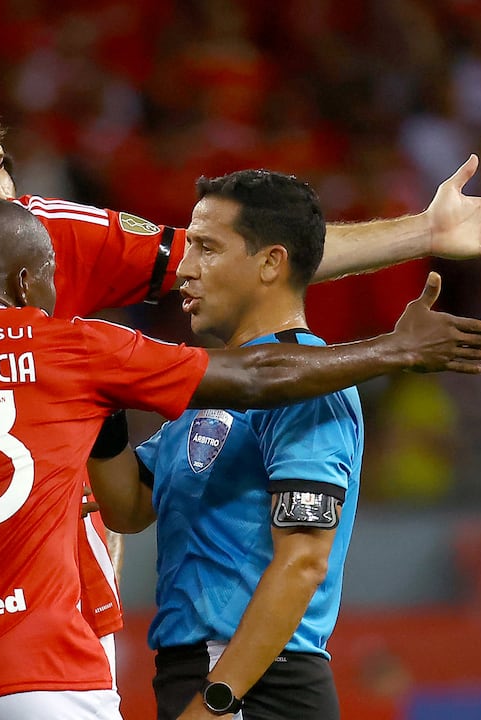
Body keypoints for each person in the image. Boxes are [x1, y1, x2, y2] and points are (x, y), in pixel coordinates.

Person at [0, 89, 481, 683]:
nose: (2, 188)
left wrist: (424, 232)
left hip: (51, 615)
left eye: (0, 163)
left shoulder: (48, 235)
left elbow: (237, 260)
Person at [87, 170, 364, 719]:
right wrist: (95, 392)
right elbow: (129, 506)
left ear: (270, 262)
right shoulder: (211, 385)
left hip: (258, 685)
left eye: (206, 248)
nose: (184, 270)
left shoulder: (306, 382)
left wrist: (217, 701)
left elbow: (303, 561)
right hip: (200, 673)